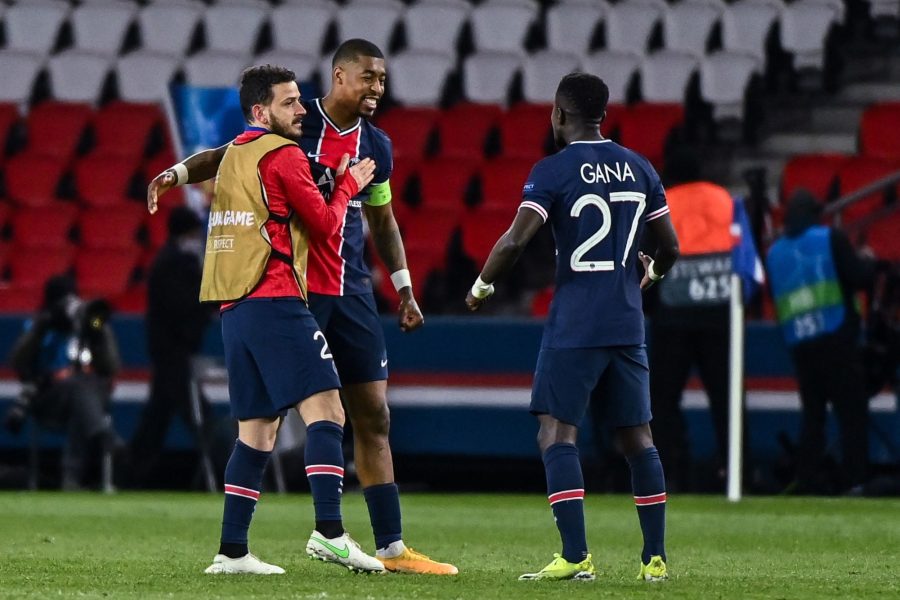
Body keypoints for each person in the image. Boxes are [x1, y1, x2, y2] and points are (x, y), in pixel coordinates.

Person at [147, 40, 456, 575]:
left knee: (370, 416)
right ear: (339, 77)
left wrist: (403, 287)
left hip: (349, 290)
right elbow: (224, 157)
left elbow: (382, 220)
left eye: (382, 80)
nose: (377, 88)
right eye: (368, 78)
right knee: (308, 414)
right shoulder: (291, 129)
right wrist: (176, 173)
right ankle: (328, 531)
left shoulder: (377, 146)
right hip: (295, 289)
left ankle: (387, 546)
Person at [171, 64, 385, 575]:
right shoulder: (284, 155)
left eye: (300, 100)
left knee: (257, 434)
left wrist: (174, 173)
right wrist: (348, 185)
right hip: (276, 298)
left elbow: (210, 161)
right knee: (329, 412)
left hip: (234, 309)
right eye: (290, 102)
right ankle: (330, 532)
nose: (302, 109)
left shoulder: (237, 155)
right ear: (260, 111)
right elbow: (330, 227)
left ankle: (232, 550)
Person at [466, 73, 680, 582]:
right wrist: (651, 274)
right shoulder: (639, 166)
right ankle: (654, 559)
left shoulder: (553, 170)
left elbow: (515, 242)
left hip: (576, 322)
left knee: (555, 431)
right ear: (601, 115)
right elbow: (670, 246)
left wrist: (480, 288)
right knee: (638, 437)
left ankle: (576, 555)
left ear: (559, 115)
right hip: (627, 320)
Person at [646, 150, 749, 492]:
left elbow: (647, 260)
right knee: (727, 398)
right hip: (721, 313)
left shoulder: (665, 201)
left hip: (674, 316)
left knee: (663, 400)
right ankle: (737, 473)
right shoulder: (723, 198)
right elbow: (743, 251)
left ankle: (670, 472)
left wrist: (649, 308)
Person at [766, 190, 874, 494]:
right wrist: (869, 263)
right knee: (851, 411)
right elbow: (858, 276)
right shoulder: (829, 238)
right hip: (836, 336)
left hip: (800, 341)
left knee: (813, 415)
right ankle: (856, 478)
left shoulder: (775, 252)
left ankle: (807, 478)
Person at [5, 275, 121, 490]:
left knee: (82, 392)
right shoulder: (39, 325)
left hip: (87, 397)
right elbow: (19, 364)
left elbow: (111, 367)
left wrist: (99, 330)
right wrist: (41, 329)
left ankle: (72, 480)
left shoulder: (91, 323)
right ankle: (104, 437)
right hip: (49, 398)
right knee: (79, 388)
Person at [130, 206, 215, 488]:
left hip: (166, 349)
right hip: (173, 350)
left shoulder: (166, 260)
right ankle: (221, 470)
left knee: (158, 416)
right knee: (198, 416)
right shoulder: (178, 263)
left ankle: (130, 473)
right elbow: (188, 305)